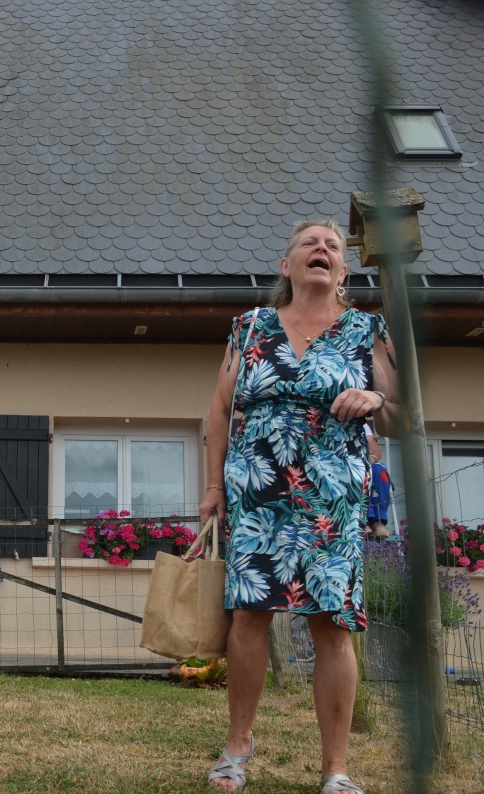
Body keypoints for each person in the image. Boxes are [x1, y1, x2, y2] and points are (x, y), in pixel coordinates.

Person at [199, 220, 401, 794]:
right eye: (309, 243)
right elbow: (220, 410)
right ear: (286, 266)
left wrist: (376, 396)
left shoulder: (366, 330)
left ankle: (335, 768)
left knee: (332, 624)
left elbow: (401, 417)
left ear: (343, 271)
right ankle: (237, 747)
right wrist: (213, 487)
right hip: (257, 494)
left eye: (332, 246)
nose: (322, 249)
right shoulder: (250, 327)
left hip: (331, 499)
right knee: (248, 616)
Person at [365, 426, 392, 540]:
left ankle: (378, 521)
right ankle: (364, 521)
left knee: (378, 470)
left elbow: (376, 452)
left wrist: (370, 459)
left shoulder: (361, 425)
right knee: (357, 472)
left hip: (363, 462)